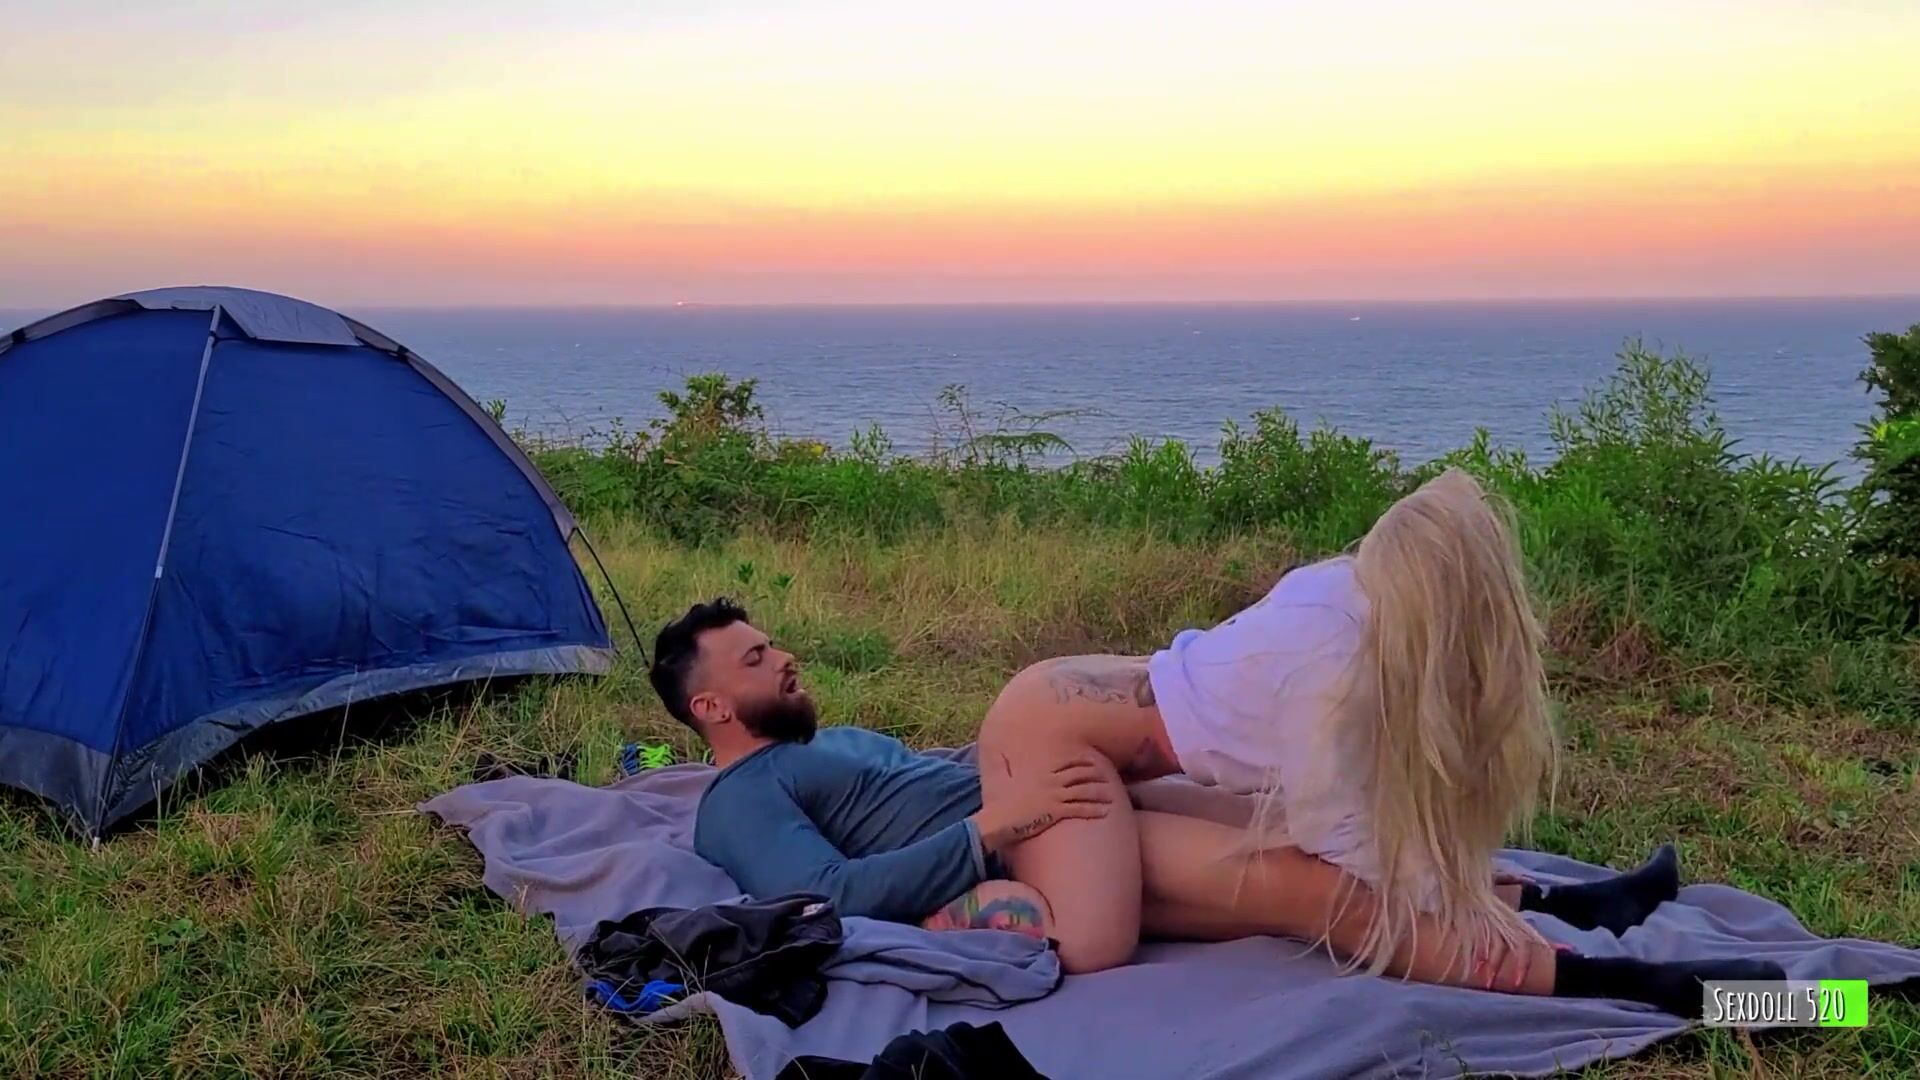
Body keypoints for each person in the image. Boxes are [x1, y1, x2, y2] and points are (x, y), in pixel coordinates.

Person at [650, 596, 1787, 1019]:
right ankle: (1670, 991)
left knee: (1286, 814)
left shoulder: (823, 744)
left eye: (774, 643)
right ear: (710, 706)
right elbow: (827, 896)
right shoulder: (737, 799)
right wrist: (998, 826)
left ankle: (1573, 905)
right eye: (756, 659)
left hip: (1049, 803)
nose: (784, 658)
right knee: (1301, 886)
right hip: (1035, 843)